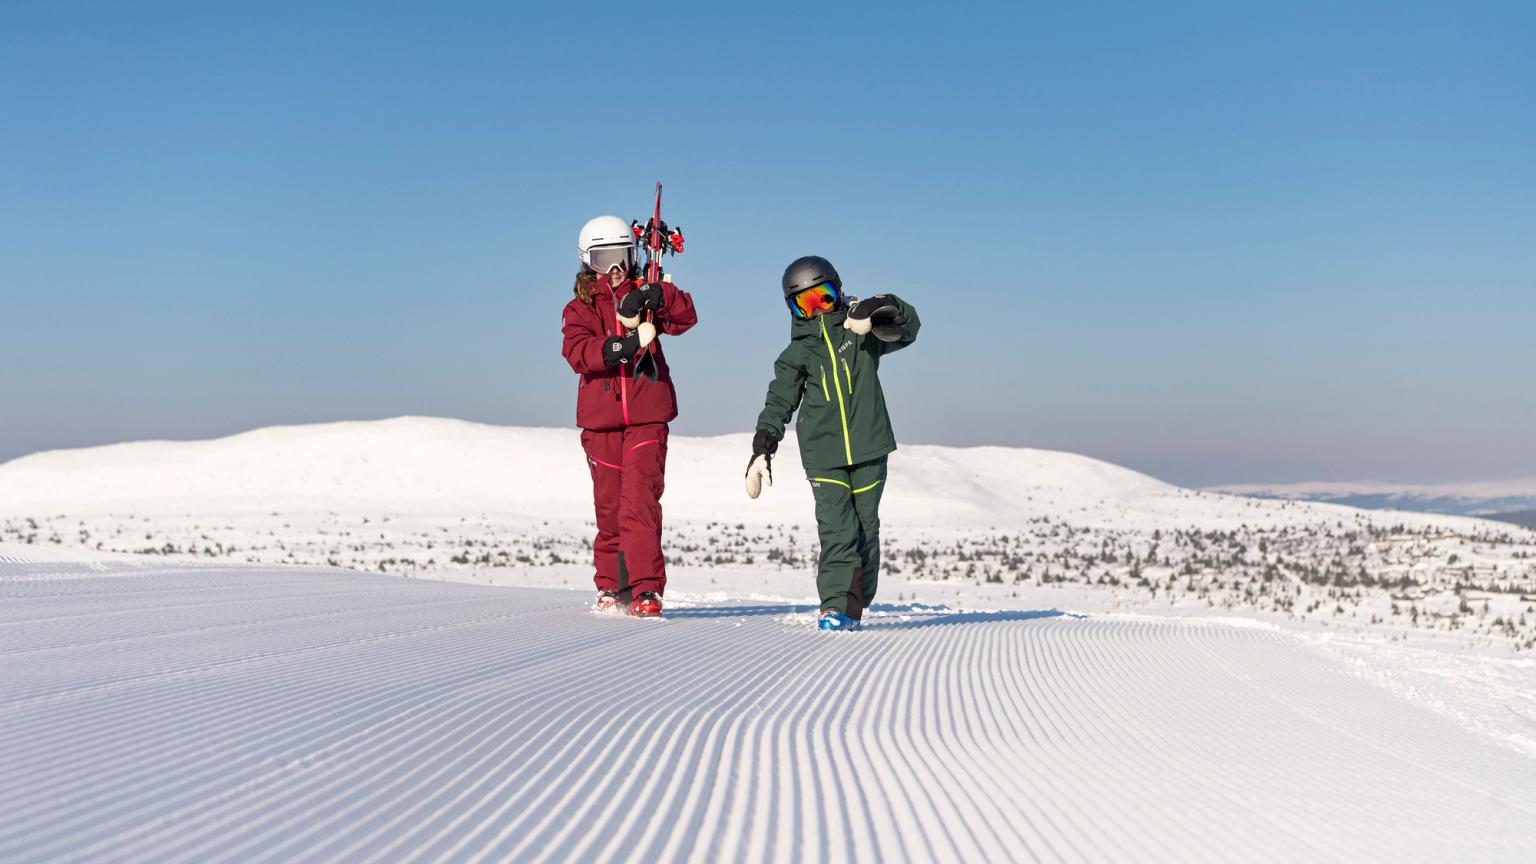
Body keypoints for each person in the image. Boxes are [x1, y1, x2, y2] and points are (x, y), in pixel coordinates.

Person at [744, 255, 920, 630]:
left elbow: (909, 327)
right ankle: (837, 607)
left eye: (822, 297)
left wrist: (878, 306)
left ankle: (857, 596)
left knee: (864, 529)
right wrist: (764, 446)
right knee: (837, 531)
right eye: (804, 303)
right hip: (823, 455)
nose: (817, 309)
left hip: (870, 448)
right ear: (792, 309)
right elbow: (779, 399)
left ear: (837, 292)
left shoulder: (861, 334)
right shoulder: (797, 353)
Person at [561, 215, 697, 617]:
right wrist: (621, 346)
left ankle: (646, 591)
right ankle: (611, 587)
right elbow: (577, 352)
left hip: (647, 416)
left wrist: (661, 296)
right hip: (601, 423)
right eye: (605, 259)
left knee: (639, 502)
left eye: (622, 256)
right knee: (610, 507)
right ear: (588, 262)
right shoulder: (579, 307)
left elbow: (686, 316)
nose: (616, 268)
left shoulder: (646, 294)